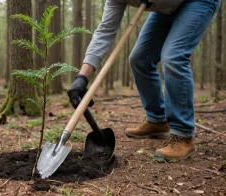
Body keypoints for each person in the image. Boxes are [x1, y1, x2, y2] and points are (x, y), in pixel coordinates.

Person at [67, 0, 220, 162]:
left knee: (174, 56)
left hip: (196, 2)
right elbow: (105, 31)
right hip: (166, 8)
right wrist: (82, 77)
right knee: (140, 59)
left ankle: (183, 135)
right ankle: (157, 121)